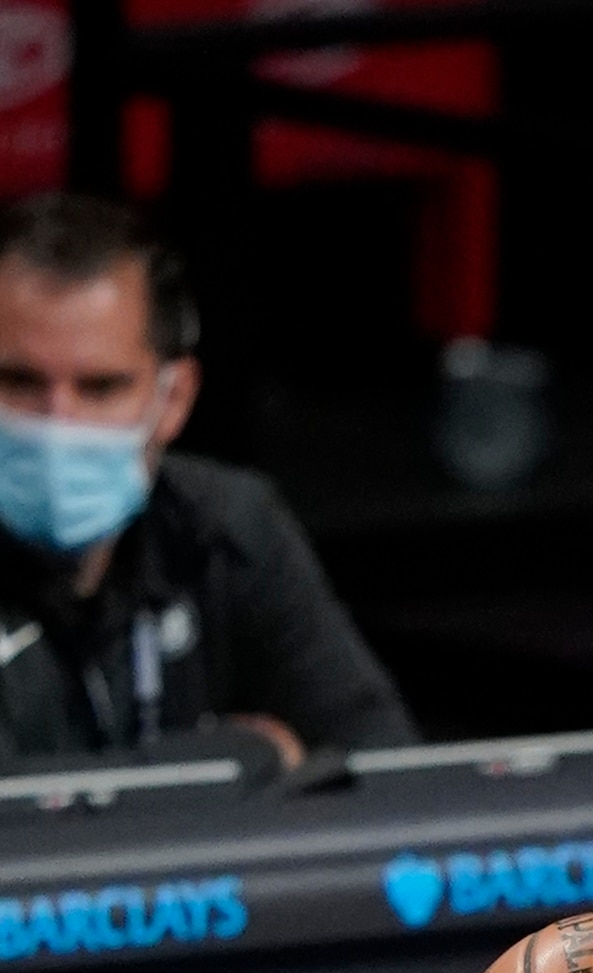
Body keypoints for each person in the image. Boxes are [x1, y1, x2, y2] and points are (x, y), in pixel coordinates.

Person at [0, 194, 415, 771]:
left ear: (173, 399)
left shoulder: (226, 526)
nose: (57, 422)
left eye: (101, 388)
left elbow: (386, 769)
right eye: (17, 381)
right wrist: (248, 757)